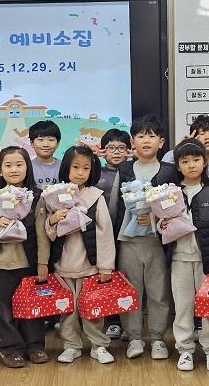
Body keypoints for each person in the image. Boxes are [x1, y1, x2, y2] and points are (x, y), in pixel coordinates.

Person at [162, 139, 209, 372]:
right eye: (185, 161)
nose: (191, 165)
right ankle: (185, 350)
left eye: (196, 159)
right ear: (178, 166)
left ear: (204, 162)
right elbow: (160, 223)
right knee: (183, 307)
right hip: (179, 260)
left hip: (208, 263)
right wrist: (162, 225)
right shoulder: (170, 193)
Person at [0, 146, 50, 368]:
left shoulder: (38, 197)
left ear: (28, 168)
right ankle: (10, 348)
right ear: (0, 170)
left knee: (33, 305)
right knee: (5, 308)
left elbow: (43, 233)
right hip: (2, 263)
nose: (14, 169)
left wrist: (43, 263)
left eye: (19, 164)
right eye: (8, 165)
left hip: (30, 262)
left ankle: (35, 346)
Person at [46, 145, 117, 364]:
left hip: (90, 265)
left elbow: (105, 232)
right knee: (67, 309)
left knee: (93, 308)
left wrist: (106, 265)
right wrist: (53, 220)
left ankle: (98, 345)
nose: (80, 172)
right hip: (63, 265)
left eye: (86, 168)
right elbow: (47, 230)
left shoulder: (96, 196)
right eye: (75, 167)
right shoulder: (54, 196)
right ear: (66, 168)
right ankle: (71, 345)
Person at [115, 114, 173, 360]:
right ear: (132, 142)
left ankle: (158, 338)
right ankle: (134, 337)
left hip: (157, 242)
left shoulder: (169, 171)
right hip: (128, 242)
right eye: (140, 136)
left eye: (151, 136)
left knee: (158, 291)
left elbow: (175, 206)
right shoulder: (125, 169)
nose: (146, 140)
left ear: (161, 142)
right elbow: (114, 206)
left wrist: (155, 218)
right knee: (131, 290)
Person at [95, 128, 132, 340]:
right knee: (108, 276)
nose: (116, 152)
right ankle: (112, 321)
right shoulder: (97, 172)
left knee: (126, 277)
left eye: (121, 148)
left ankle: (128, 321)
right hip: (103, 234)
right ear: (103, 151)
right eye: (111, 148)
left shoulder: (133, 171)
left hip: (127, 232)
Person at [162, 115, 209, 186]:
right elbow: (163, 169)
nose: (207, 137)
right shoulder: (187, 163)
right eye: (202, 133)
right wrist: (183, 146)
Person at [29, 120, 62, 189]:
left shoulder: (64, 166)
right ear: (32, 143)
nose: (46, 144)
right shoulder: (27, 167)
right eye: (40, 139)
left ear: (58, 143)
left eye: (51, 140)